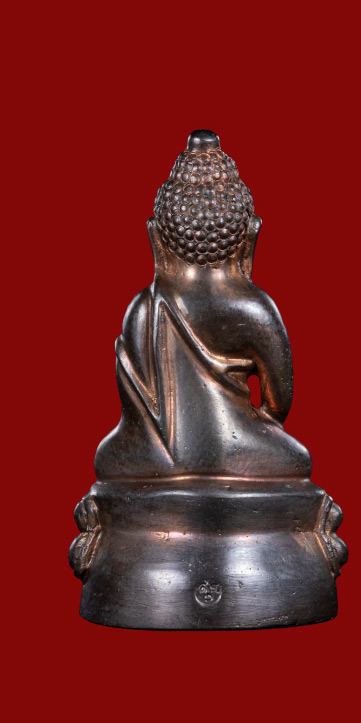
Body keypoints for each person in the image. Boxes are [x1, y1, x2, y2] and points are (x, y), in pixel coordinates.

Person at [95, 131, 311, 480]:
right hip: (236, 450)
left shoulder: (141, 307)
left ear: (156, 239)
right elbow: (277, 406)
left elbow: (134, 418)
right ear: (251, 236)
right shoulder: (254, 308)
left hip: (153, 460)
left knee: (109, 456)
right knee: (296, 457)